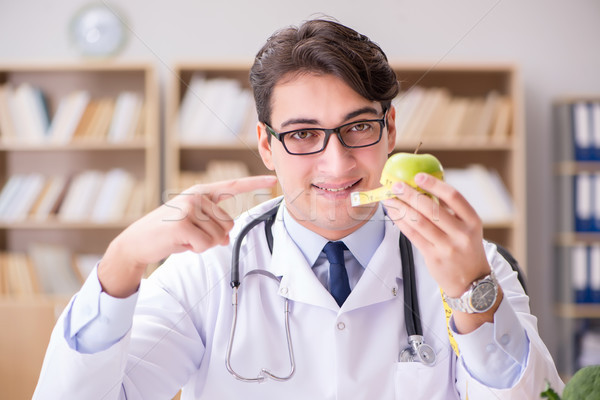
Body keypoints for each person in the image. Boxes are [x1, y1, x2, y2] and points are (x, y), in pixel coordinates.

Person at [34, 18, 563, 399]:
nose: (336, 164)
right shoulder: (208, 269)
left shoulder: (476, 266)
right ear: (266, 144)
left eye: (358, 126)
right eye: (304, 134)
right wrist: (121, 263)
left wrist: (469, 294)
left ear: (391, 130)